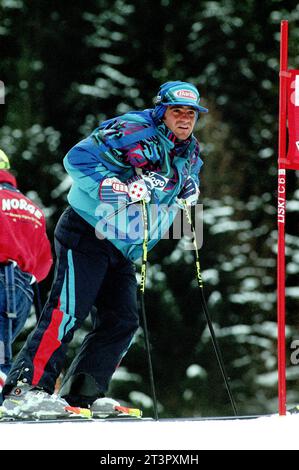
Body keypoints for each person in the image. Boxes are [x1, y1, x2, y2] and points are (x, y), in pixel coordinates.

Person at [1, 81, 208, 418]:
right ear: (161, 111)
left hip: (123, 245)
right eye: (176, 111)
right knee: (66, 312)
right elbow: (77, 159)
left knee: (122, 320)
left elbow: (177, 188)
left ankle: (81, 395)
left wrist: (189, 194)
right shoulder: (131, 129)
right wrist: (118, 189)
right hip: (86, 229)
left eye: (191, 114)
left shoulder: (190, 152)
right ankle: (22, 392)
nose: (185, 119)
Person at [0, 150, 52, 399]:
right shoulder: (33, 209)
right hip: (23, 289)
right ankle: (13, 398)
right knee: (2, 350)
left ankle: (13, 397)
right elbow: (44, 261)